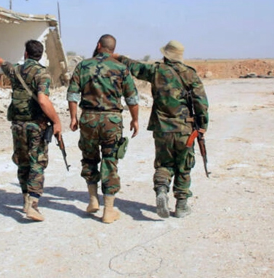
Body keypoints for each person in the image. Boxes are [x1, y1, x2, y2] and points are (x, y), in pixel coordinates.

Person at [113, 40, 209, 218]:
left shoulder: (156, 70)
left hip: (161, 128)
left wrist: (119, 57)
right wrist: (202, 126)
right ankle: (181, 205)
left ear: (165, 54)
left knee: (164, 163)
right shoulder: (190, 74)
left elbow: (136, 67)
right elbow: (201, 104)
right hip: (184, 129)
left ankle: (161, 191)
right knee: (183, 165)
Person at [0, 40, 63, 221]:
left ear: (25, 54)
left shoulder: (16, 70)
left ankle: (25, 198)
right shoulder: (42, 74)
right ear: (40, 55)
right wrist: (56, 121)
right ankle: (32, 204)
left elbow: (0, 61)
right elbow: (42, 100)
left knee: (23, 161)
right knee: (37, 162)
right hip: (35, 126)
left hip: (17, 125)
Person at [67, 34, 139, 223]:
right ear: (113, 49)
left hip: (89, 119)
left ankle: (92, 199)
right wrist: (135, 120)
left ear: (98, 45)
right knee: (110, 161)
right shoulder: (121, 68)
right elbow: (132, 98)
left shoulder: (83, 66)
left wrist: (74, 117)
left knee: (89, 158)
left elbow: (73, 94)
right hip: (111, 121)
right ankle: (108, 210)